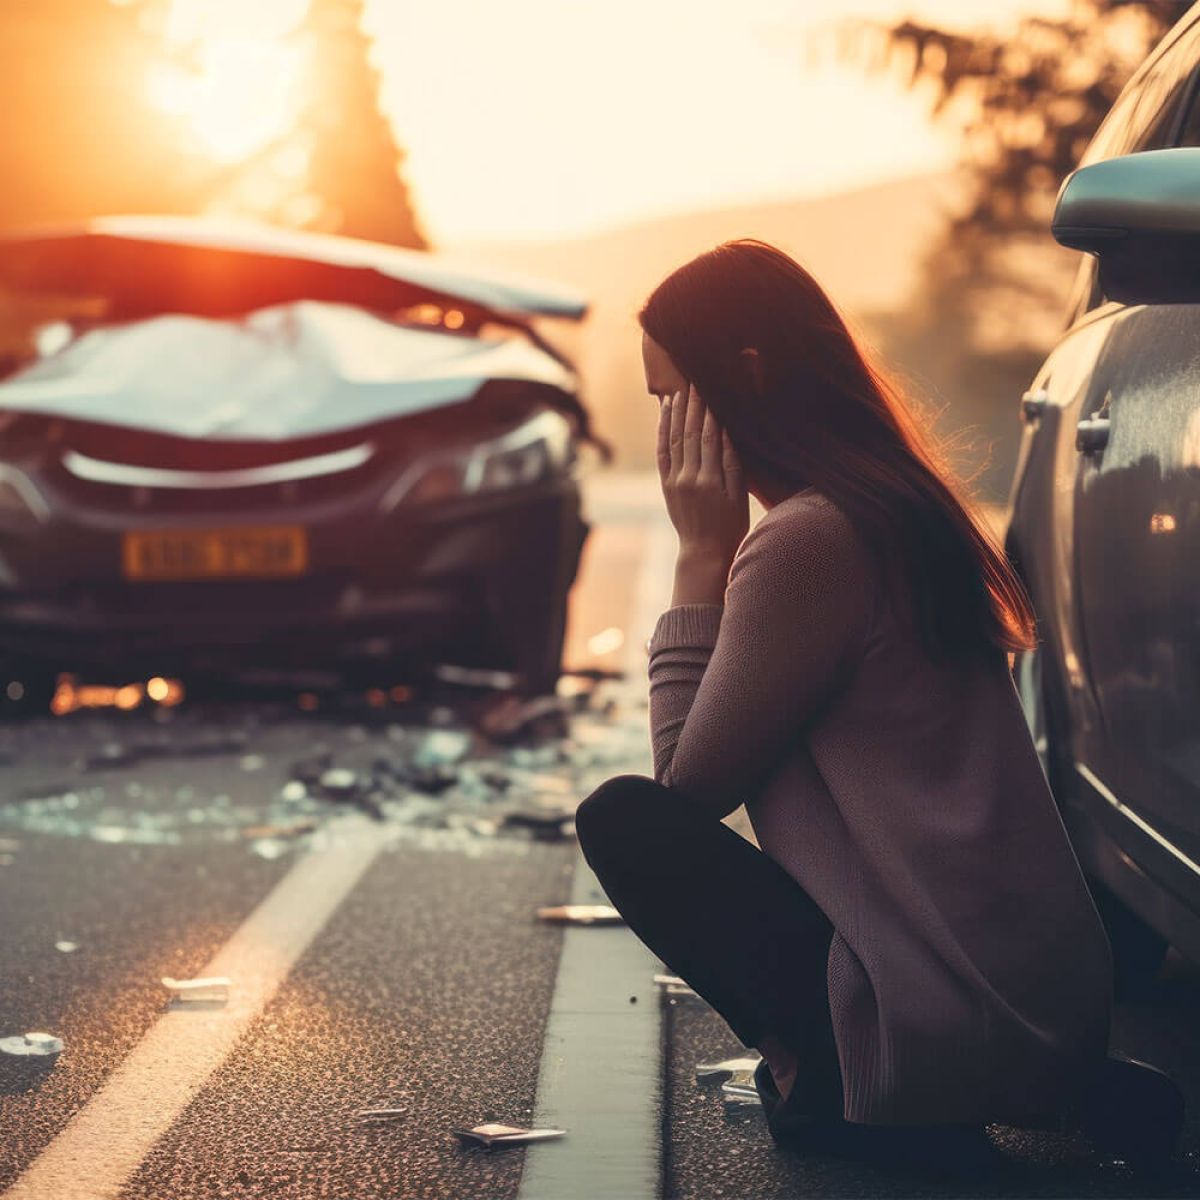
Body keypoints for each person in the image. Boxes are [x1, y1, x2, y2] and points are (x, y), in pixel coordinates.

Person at [573, 239, 1186, 1176]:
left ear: (747, 376)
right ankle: (1035, 1078)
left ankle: (848, 1075)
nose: (667, 436)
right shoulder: (889, 503)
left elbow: (684, 794)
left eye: (673, 401)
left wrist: (701, 555)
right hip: (1032, 988)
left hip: (933, 993)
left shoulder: (807, 541)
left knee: (624, 820)